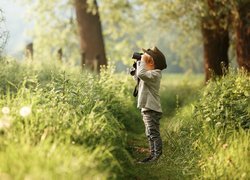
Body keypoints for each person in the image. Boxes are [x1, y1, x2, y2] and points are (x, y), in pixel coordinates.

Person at [132, 46, 167, 163]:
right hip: (146, 108)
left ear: (152, 62)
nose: (144, 58)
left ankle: (157, 156)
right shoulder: (149, 73)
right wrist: (137, 67)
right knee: (149, 134)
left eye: (147, 58)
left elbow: (142, 74)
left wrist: (142, 61)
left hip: (152, 109)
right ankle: (152, 155)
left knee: (153, 133)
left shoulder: (156, 74)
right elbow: (139, 77)